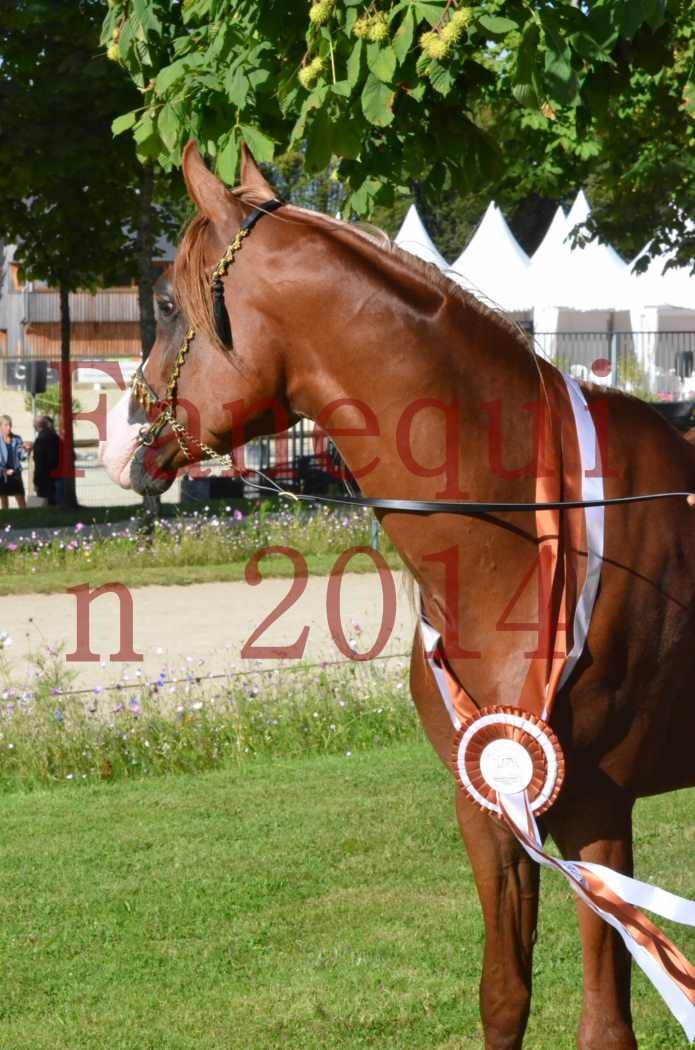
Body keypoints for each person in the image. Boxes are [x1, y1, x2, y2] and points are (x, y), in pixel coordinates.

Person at [0, 414, 28, 509]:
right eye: (6, 425)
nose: (9, 427)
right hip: (2, 474)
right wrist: (4, 470)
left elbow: (22, 457)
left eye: (10, 425)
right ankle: (6, 522)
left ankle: (25, 521)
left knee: (21, 499)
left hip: (16, 473)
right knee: (4, 500)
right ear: (0, 426)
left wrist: (25, 450)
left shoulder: (17, 438)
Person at [31, 415, 61, 506]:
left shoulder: (40, 440)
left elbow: (39, 463)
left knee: (45, 504)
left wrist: (36, 481)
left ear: (35, 426)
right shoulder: (56, 438)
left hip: (45, 478)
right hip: (58, 476)